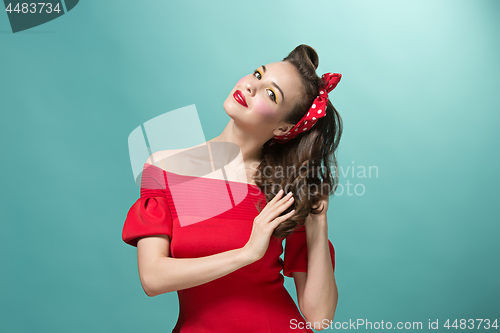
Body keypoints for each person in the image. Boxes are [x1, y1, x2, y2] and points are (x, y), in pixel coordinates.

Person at [122, 44, 343, 332]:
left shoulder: (284, 189)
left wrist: (318, 222)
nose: (252, 86)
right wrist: (246, 253)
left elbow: (319, 318)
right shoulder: (163, 167)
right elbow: (152, 278)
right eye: (257, 74)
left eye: (271, 93)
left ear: (283, 128)